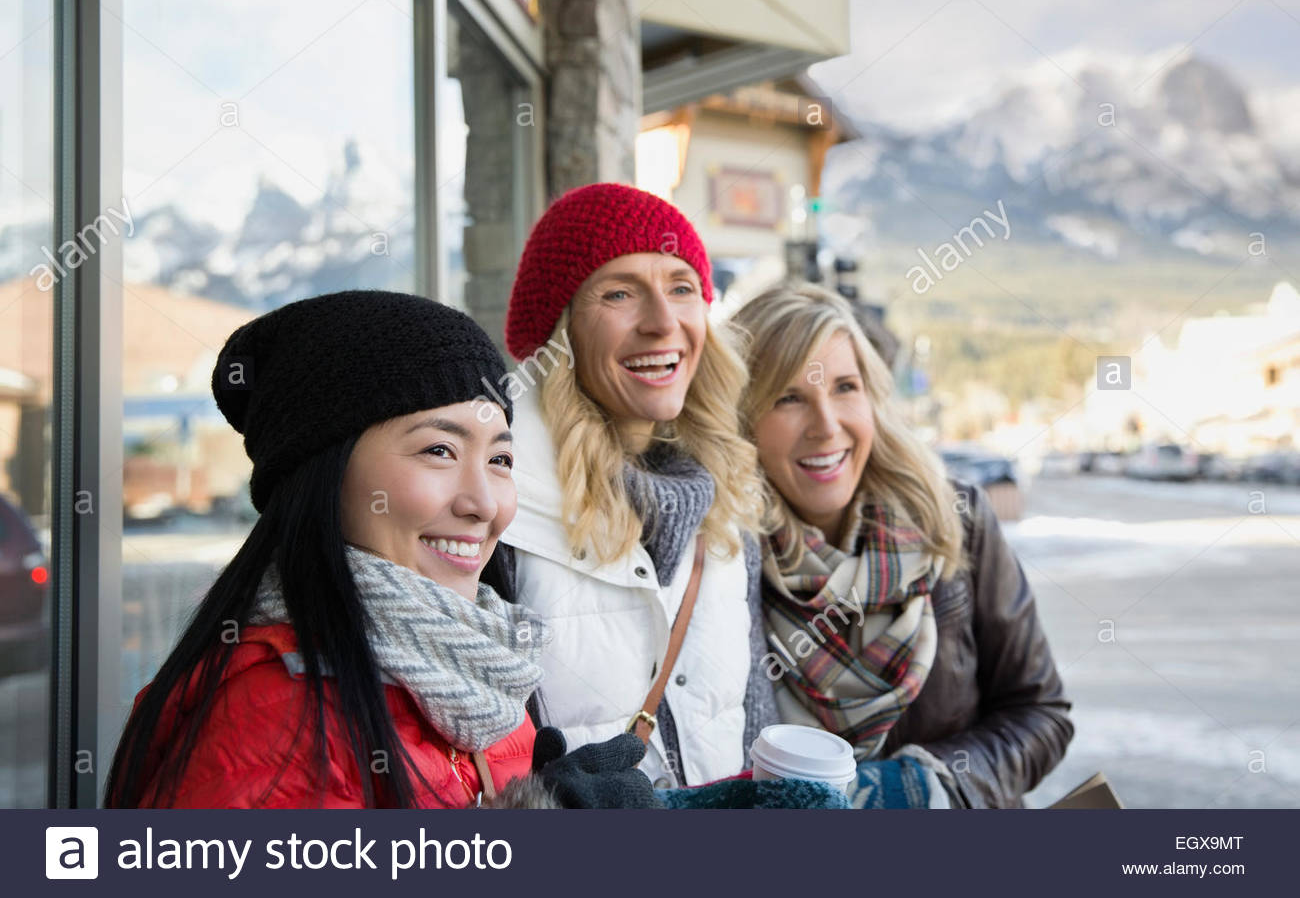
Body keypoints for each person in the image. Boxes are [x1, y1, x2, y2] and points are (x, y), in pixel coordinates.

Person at [105, 290, 656, 809]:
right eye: (439, 450)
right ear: (326, 474)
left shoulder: (482, 672)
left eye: (500, 460)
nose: (485, 504)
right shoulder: (276, 711)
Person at [731, 283, 1073, 808]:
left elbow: (1040, 713)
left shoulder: (954, 520)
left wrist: (927, 787)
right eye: (788, 397)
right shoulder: (722, 559)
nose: (826, 426)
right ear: (742, 419)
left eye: (845, 387)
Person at [498, 183, 776, 789]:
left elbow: (752, 717)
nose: (662, 322)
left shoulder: (726, 501)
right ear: (560, 332)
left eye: (682, 288)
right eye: (619, 292)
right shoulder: (499, 513)